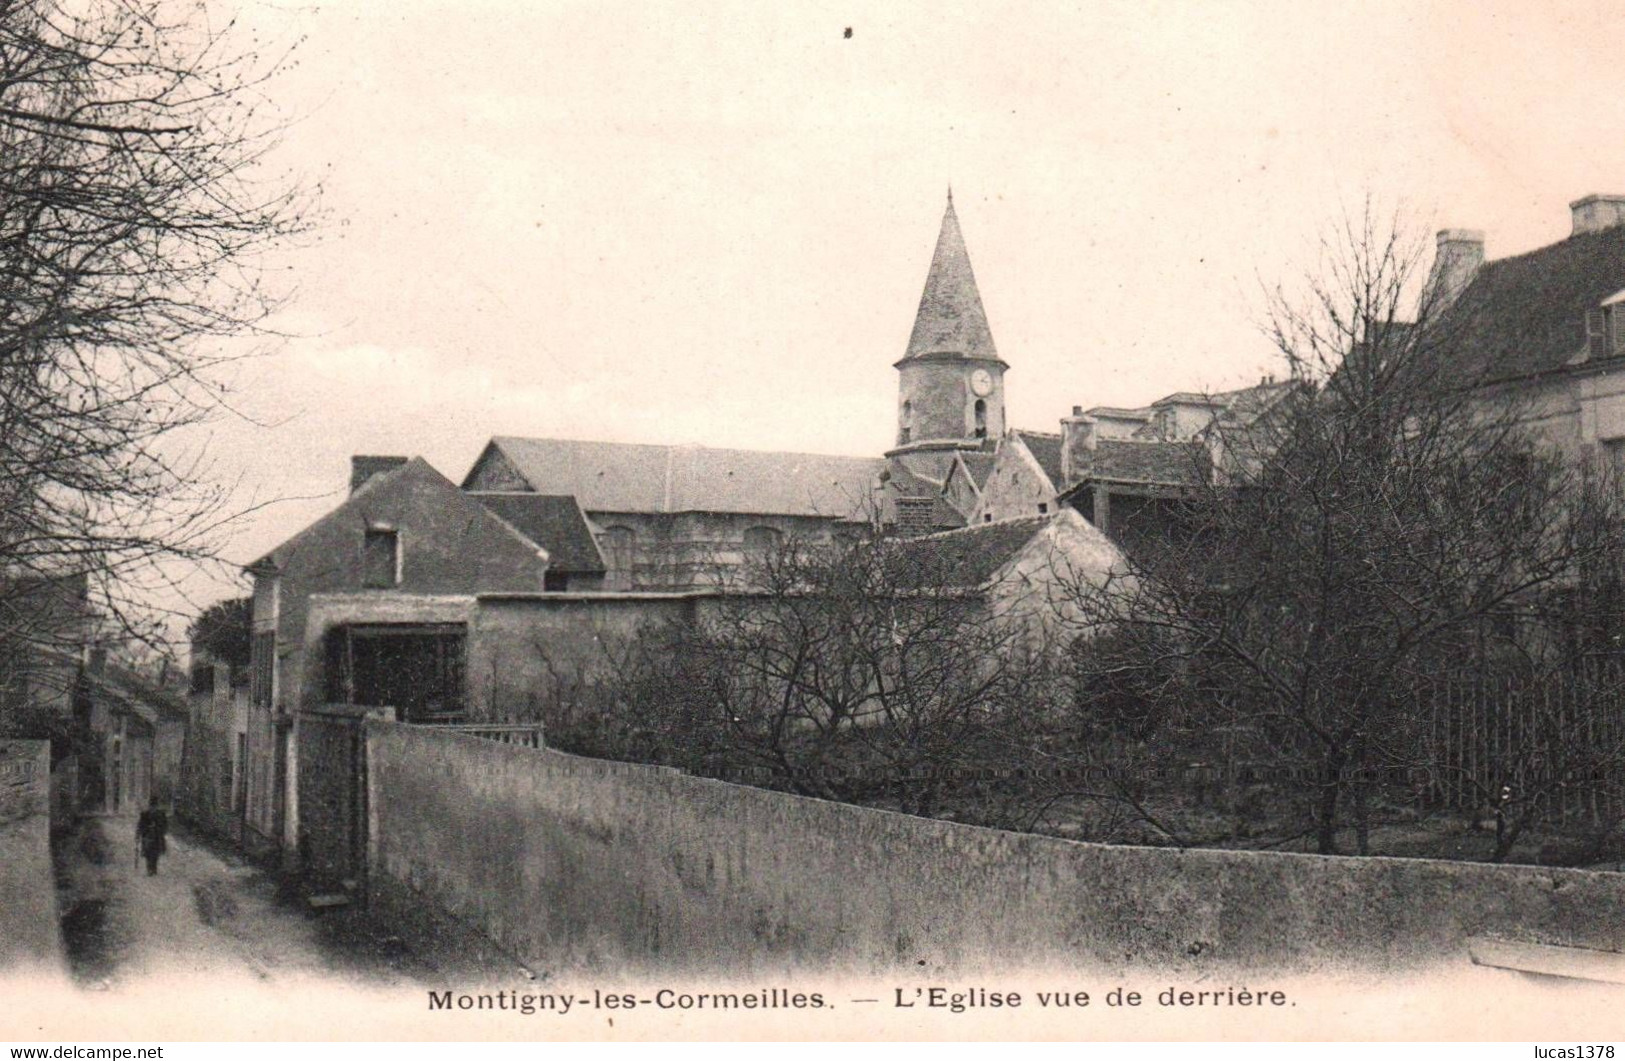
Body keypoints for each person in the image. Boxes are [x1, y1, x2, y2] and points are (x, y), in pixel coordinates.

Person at [136, 798, 168, 876]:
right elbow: (140, 825)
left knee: (155, 854)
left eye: (154, 806)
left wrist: (159, 830)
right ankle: (149, 869)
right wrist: (139, 834)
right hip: (147, 836)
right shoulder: (145, 814)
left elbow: (165, 826)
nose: (153, 808)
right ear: (150, 806)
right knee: (148, 853)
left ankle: (153, 869)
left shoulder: (161, 814)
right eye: (152, 806)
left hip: (157, 837)